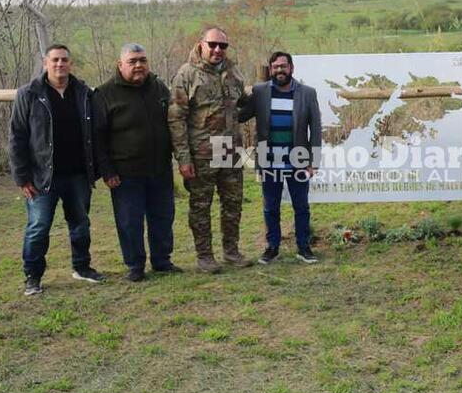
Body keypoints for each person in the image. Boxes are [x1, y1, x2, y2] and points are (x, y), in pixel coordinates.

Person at [9, 44, 105, 296]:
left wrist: (97, 169)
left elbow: (96, 134)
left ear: (70, 63)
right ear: (45, 62)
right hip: (42, 177)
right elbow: (17, 137)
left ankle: (82, 267)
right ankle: (33, 276)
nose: (60, 64)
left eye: (64, 60)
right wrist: (21, 176)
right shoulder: (28, 94)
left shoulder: (84, 93)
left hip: (78, 175)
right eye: (55, 60)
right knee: (39, 226)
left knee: (81, 223)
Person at [93, 43, 180, 282]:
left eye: (142, 60)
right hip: (125, 173)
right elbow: (97, 137)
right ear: (120, 65)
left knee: (163, 217)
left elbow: (174, 124)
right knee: (129, 222)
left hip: (160, 168)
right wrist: (106, 170)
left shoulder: (159, 87)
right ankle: (135, 265)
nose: (139, 65)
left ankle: (162, 261)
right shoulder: (105, 94)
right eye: (132, 61)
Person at [168, 27, 251, 273]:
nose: (217, 50)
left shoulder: (233, 72)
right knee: (201, 206)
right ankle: (205, 256)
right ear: (201, 44)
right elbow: (176, 119)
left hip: (229, 150)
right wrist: (183, 158)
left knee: (233, 203)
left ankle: (231, 251)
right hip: (201, 153)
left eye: (223, 46)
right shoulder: (187, 75)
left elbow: (241, 104)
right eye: (213, 44)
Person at [238, 51, 322, 264]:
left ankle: (304, 247)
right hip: (269, 160)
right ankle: (272, 247)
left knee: (301, 206)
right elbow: (241, 115)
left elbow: (317, 129)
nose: (280, 70)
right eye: (275, 67)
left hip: (298, 159)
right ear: (271, 69)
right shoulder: (259, 92)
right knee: (270, 207)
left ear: (291, 68)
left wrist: (314, 161)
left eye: (283, 66)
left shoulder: (307, 93)